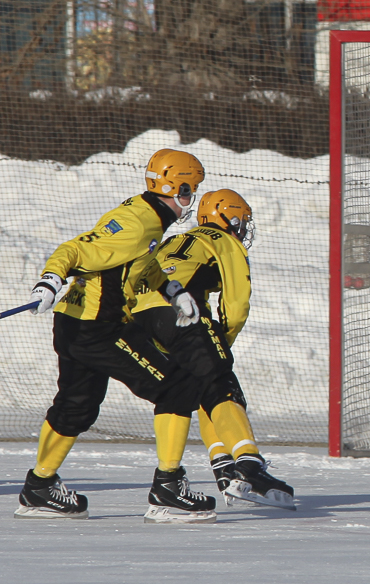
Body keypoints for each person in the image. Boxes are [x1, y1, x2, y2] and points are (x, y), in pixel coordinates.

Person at [17, 148, 216, 522]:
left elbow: (138, 261)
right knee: (178, 384)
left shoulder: (146, 217)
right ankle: (168, 488)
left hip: (74, 324)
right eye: (190, 192)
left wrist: (171, 290)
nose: (191, 200)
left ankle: (40, 488)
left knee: (77, 404)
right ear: (178, 188)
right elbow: (75, 248)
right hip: (98, 328)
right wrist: (50, 279)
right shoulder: (138, 223)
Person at [132, 189, 295, 510]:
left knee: (202, 384)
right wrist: (224, 342)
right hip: (178, 312)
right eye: (242, 222)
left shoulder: (175, 239)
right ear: (229, 219)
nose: (244, 229)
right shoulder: (224, 242)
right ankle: (248, 466)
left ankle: (223, 464)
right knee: (222, 382)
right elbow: (236, 303)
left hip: (138, 319)